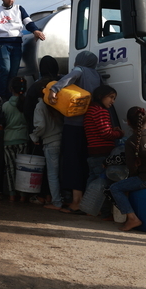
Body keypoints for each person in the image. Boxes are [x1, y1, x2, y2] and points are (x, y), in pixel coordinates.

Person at [50, 51, 101, 213]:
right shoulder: (97, 75)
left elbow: (69, 78)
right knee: (84, 161)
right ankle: (84, 200)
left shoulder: (80, 70)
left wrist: (54, 88)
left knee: (72, 162)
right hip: (89, 125)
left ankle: (75, 202)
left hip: (73, 124)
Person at [0, 0, 45, 99]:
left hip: (16, 44)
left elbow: (28, 22)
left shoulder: (19, 9)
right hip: (2, 44)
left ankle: (10, 96)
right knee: (5, 69)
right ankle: (1, 96)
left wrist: (35, 31)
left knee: (14, 72)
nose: (10, 0)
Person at [29, 90, 63, 209]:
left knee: (52, 174)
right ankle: (60, 198)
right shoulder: (57, 103)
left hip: (50, 142)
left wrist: (34, 136)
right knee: (59, 172)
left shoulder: (40, 106)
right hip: (61, 140)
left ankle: (57, 202)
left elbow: (41, 126)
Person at [83, 85, 123, 185]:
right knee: (103, 181)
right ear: (101, 96)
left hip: (92, 152)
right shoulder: (101, 111)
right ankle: (100, 200)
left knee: (92, 180)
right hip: (102, 153)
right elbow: (106, 134)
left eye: (114, 98)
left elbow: (97, 130)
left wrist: (111, 130)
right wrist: (119, 133)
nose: (112, 101)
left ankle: (89, 199)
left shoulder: (90, 110)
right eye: (111, 97)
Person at [2, 76, 30, 201]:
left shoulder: (6, 106)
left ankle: (12, 195)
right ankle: (23, 196)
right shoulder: (28, 105)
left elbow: (3, 123)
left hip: (8, 140)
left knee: (10, 168)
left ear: (11, 89)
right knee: (23, 169)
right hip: (23, 139)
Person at [23, 55, 61, 147]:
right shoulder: (62, 84)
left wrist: (33, 134)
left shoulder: (35, 87)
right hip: (62, 133)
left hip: (43, 136)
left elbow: (28, 111)